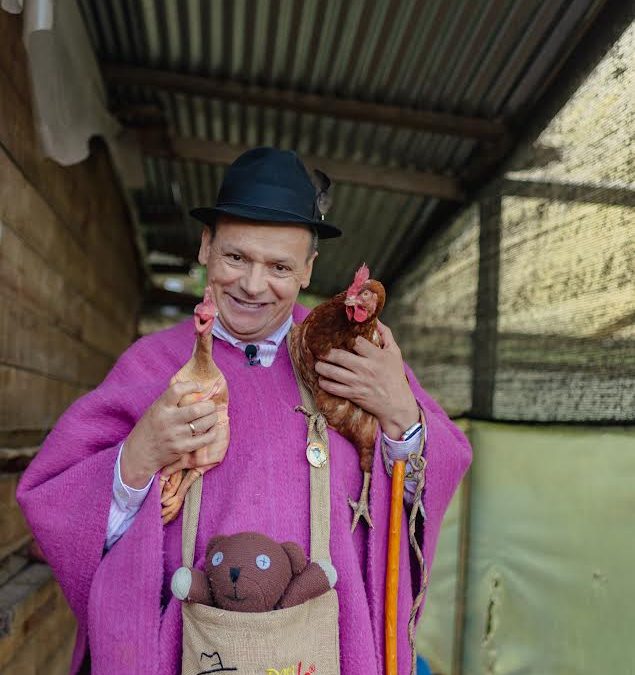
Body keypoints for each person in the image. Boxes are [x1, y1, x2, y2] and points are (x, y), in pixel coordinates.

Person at [17, 147, 471, 674]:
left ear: (308, 269)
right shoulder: (154, 364)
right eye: (237, 258)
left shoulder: (354, 357)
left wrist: (402, 416)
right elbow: (58, 512)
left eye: (279, 265)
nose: (253, 286)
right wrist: (135, 459)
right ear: (206, 246)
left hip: (328, 650)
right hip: (182, 654)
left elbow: (419, 502)